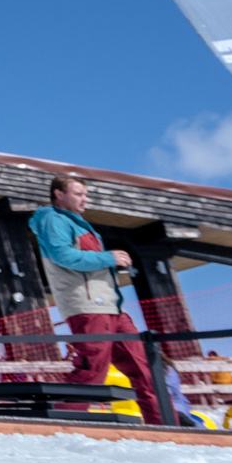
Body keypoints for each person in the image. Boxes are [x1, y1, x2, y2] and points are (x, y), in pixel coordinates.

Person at [30, 175, 161, 425]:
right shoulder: (52, 219)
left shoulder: (80, 224)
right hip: (88, 306)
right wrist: (108, 258)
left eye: (85, 194)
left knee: (144, 366)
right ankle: (59, 425)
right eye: (78, 193)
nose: (84, 199)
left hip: (112, 306)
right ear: (59, 194)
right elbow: (63, 256)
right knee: (93, 370)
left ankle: (165, 424)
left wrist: (108, 262)